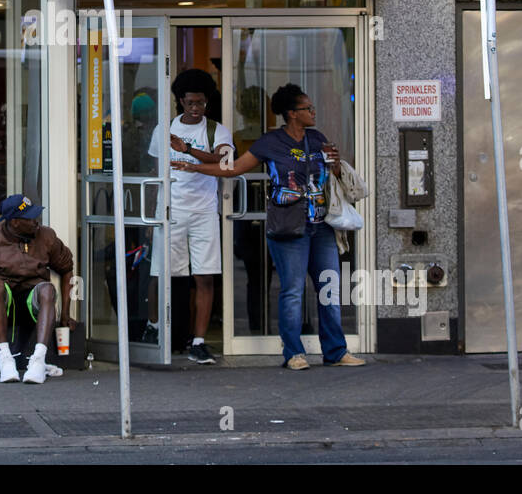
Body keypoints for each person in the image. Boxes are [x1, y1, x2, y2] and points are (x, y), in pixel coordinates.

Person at [176, 83, 365, 371]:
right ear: (292, 114)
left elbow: (333, 175)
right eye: (307, 108)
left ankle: (336, 351)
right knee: (292, 290)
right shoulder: (270, 142)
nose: (313, 112)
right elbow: (235, 168)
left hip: (322, 226)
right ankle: (293, 353)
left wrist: (336, 166)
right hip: (289, 228)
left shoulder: (317, 139)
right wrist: (194, 166)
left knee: (329, 289)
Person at [144, 69, 234, 365]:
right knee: (162, 272)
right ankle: (155, 327)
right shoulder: (164, 129)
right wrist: (150, 216)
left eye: (201, 103)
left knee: (204, 275)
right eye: (190, 103)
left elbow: (226, 161)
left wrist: (189, 150)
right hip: (170, 210)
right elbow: (157, 173)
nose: (195, 108)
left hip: (204, 210)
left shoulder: (215, 131)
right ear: (180, 101)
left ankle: (198, 341)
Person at [0, 194, 76, 384]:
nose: (36, 222)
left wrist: (65, 314)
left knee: (47, 289)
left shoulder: (46, 236)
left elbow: (67, 269)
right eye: (30, 218)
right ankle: (5, 358)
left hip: (28, 302)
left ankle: (38, 360)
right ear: (15, 222)